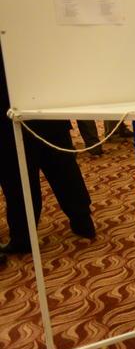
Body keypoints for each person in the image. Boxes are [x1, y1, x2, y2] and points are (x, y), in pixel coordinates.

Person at [1, 47, 96, 260]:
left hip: (11, 118)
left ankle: (23, 237)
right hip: (45, 109)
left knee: (18, 180)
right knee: (64, 170)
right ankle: (82, 220)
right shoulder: (32, 30)